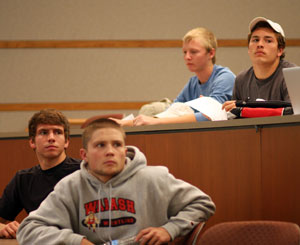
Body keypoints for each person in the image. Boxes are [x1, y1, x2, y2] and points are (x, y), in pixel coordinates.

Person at [17, 118, 216, 245]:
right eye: (100, 145)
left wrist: (169, 230)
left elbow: (202, 204)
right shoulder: (70, 186)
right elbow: (29, 229)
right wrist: (76, 241)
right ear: (84, 154)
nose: (110, 151)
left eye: (117, 144)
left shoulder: (154, 178)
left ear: (124, 149)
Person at [117, 27, 235, 126]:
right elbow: (171, 111)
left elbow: (212, 116)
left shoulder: (225, 78)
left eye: (193, 52)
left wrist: (157, 122)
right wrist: (127, 123)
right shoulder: (193, 82)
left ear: (211, 53)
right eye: (185, 52)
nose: (187, 57)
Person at [0, 109, 81, 239]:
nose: (51, 138)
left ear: (66, 141)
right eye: (44, 132)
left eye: (58, 132)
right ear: (32, 142)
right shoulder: (23, 179)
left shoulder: (84, 171)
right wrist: (3, 228)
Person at [222, 17, 297, 116]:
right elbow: (234, 118)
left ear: (280, 50)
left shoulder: (292, 75)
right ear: (248, 48)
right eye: (255, 40)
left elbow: (293, 116)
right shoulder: (241, 79)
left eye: (268, 41)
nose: (260, 44)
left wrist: (244, 110)